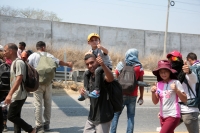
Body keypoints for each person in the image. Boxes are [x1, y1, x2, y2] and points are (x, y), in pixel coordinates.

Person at [28, 41, 73, 133]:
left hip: (37, 84)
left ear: (37, 48)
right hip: (48, 83)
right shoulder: (49, 55)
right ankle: (47, 124)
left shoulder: (32, 56)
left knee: (38, 105)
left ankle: (39, 126)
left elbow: (28, 67)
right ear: (43, 47)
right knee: (48, 104)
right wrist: (67, 64)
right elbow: (59, 62)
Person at [3, 43, 36, 133]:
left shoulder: (19, 62)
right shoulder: (14, 62)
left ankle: (31, 130)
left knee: (11, 116)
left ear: (11, 51)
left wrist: (10, 94)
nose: (4, 53)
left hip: (19, 94)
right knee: (16, 116)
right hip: (17, 93)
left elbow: (19, 78)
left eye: (5, 51)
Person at [110, 48, 144, 133]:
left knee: (116, 115)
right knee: (131, 116)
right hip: (133, 95)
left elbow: (115, 77)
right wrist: (141, 96)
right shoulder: (139, 67)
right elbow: (141, 83)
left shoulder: (121, 64)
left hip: (120, 94)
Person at [79, 53, 114, 133]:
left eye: (92, 62)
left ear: (97, 61)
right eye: (87, 64)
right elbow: (89, 95)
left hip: (103, 117)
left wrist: (103, 65)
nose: (90, 65)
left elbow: (111, 78)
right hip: (92, 117)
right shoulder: (89, 76)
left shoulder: (102, 74)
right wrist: (83, 93)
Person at [167, 50, 199, 133]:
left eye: (174, 58)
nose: (172, 61)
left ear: (179, 60)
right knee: (166, 130)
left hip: (189, 110)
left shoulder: (186, 72)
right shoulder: (171, 76)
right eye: (170, 59)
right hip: (175, 109)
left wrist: (189, 72)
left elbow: (194, 79)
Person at [151, 60, 187, 133]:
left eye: (165, 71)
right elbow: (155, 102)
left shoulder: (176, 82)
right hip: (162, 116)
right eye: (161, 72)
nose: (163, 74)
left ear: (170, 72)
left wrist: (176, 90)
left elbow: (185, 99)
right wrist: (153, 92)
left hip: (173, 115)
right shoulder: (158, 84)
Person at [78, 33, 112, 100]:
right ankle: (86, 91)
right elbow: (87, 56)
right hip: (98, 67)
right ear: (89, 43)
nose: (94, 42)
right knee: (86, 73)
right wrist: (86, 54)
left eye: (96, 40)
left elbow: (107, 52)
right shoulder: (90, 51)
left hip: (106, 67)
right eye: (92, 40)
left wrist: (101, 47)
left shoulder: (101, 49)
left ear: (99, 41)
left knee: (97, 71)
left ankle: (97, 90)